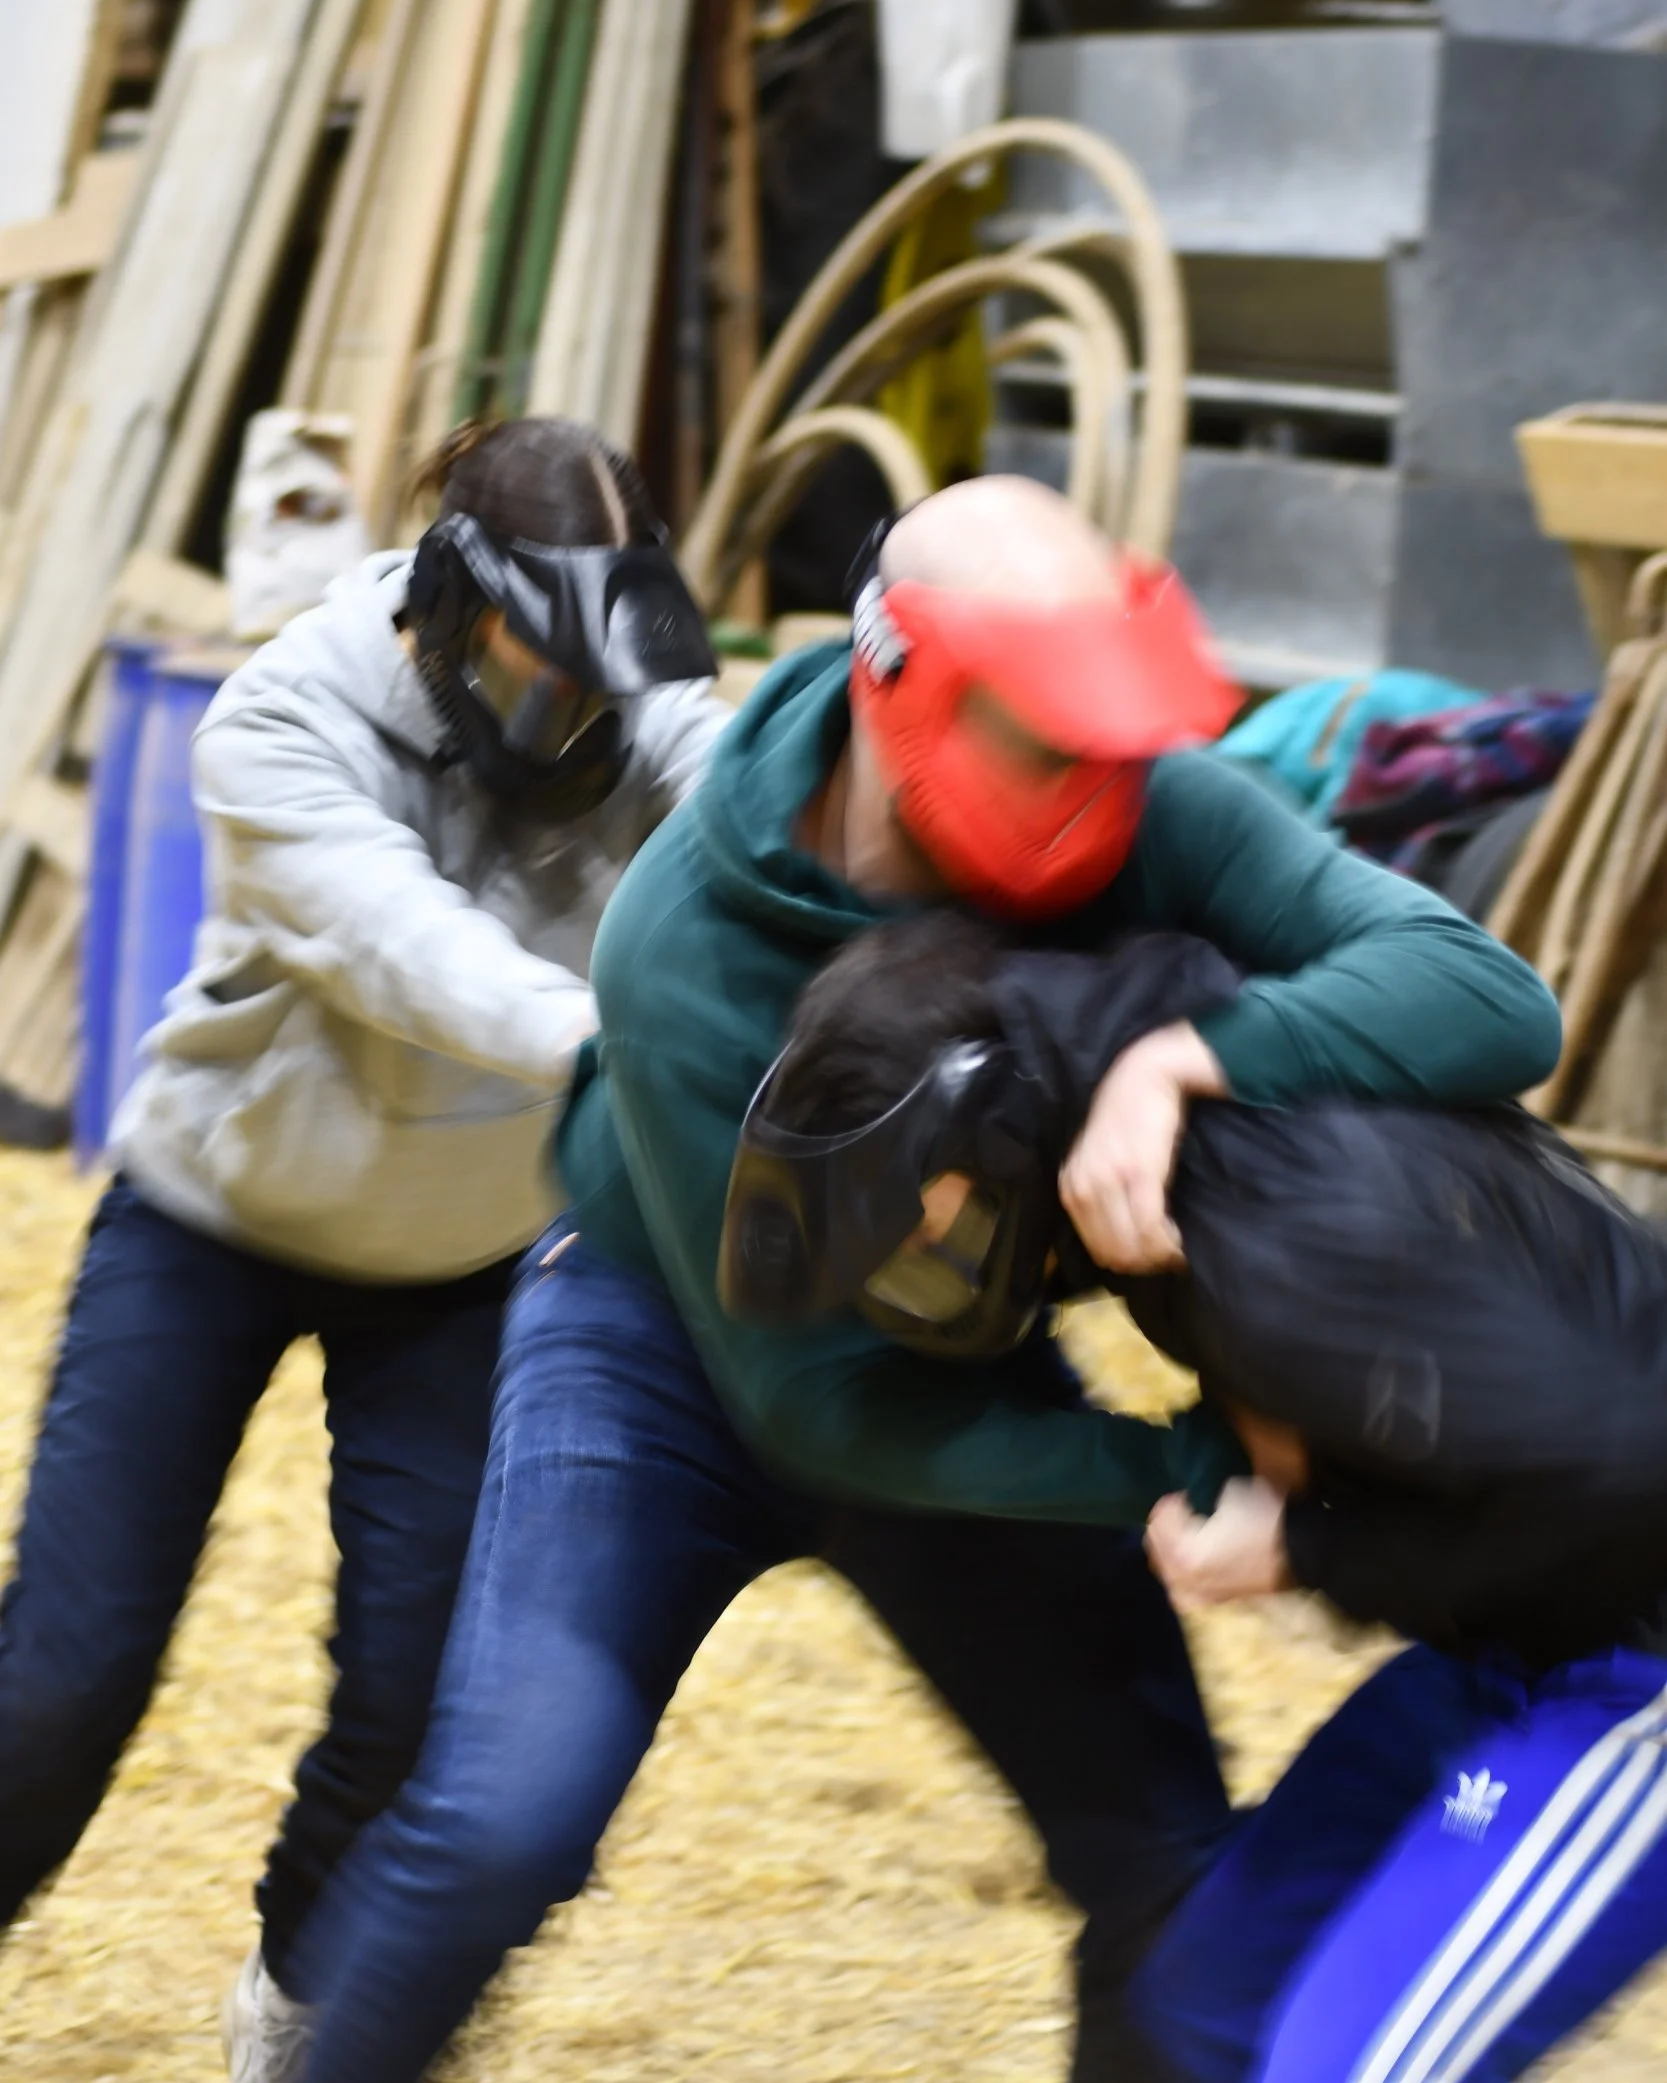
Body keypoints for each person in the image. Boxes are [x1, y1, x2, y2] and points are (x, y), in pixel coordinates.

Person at [288, 477, 1560, 2083]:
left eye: (1109, 735)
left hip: (953, 1334)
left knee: (1164, 1860)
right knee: (502, 1817)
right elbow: (813, 1409)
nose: (1093, 782)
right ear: (894, 688)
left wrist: (1188, 1057)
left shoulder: (1142, 793)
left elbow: (1489, 998)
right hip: (662, 1347)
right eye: (1043, 738)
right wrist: (1180, 1461)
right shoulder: (682, 939)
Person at [0, 416, 727, 2083]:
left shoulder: (625, 688)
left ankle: (310, 1998)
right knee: (65, 1674)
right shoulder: (282, 713)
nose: (576, 728)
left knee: (416, 1703)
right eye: (540, 682)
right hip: (213, 1222)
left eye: (601, 691)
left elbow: (754, 797)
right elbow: (413, 954)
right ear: (446, 614)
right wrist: (654, 1050)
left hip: (468, 1260)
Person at [728, 904, 1667, 2083]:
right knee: (1195, 2002)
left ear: (1002, 1134)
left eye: (931, 1233)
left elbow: (1634, 1467)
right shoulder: (1151, 1115)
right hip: (1508, 1633)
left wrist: (1307, 1550)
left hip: (1634, 1663)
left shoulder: (1281, 1242)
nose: (932, 1273)